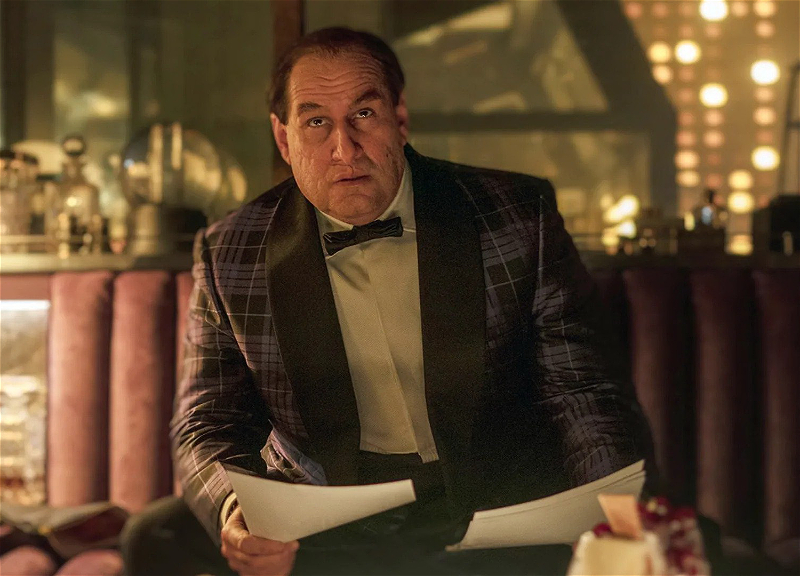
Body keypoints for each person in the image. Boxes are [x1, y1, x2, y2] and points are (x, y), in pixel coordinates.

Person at [121, 27, 654, 576]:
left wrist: (616, 514)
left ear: (399, 119)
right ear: (284, 139)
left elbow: (581, 390)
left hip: (489, 504)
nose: (344, 149)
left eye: (363, 114)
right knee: (153, 537)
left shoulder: (516, 215)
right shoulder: (230, 249)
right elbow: (206, 419)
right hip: (323, 512)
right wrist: (237, 514)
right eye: (316, 122)